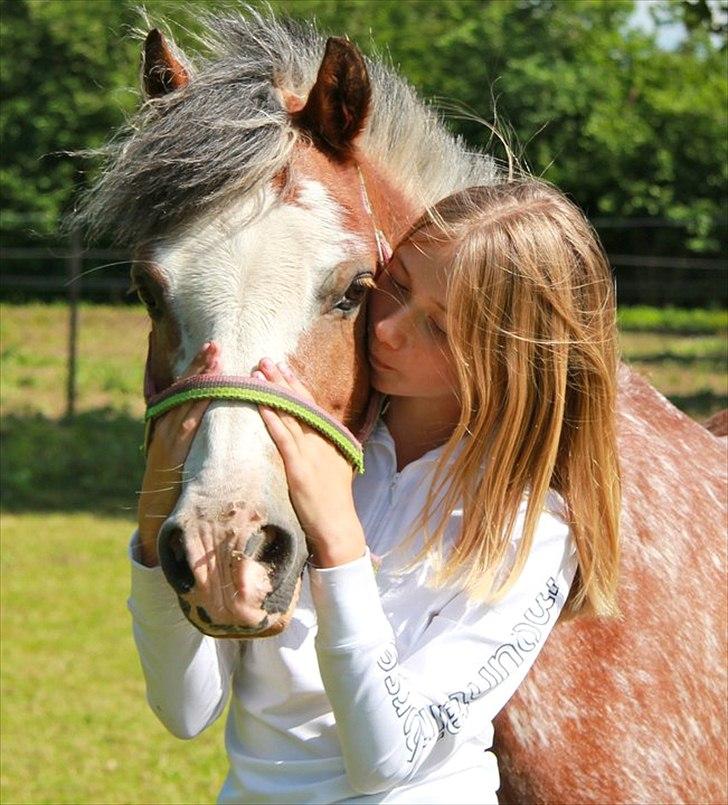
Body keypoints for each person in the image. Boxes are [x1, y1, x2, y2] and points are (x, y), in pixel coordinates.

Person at [129, 179, 621, 804]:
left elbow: (389, 759)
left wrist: (339, 541)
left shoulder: (534, 531)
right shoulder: (297, 459)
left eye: (437, 326)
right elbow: (185, 708)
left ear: (509, 358)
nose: (387, 328)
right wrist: (156, 526)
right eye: (397, 286)